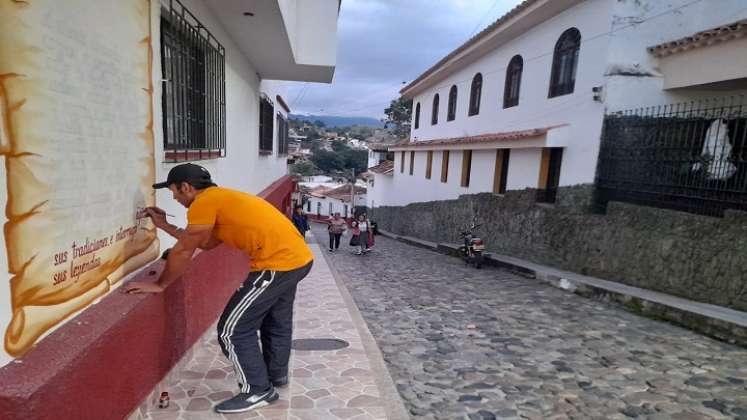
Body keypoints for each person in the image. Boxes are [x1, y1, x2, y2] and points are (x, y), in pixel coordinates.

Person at [123, 163, 313, 414]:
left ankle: (258, 390)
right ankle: (275, 376)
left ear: (186, 187)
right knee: (276, 322)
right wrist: (165, 226)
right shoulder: (221, 199)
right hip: (298, 259)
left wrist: (160, 285)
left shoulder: (204, 203)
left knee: (232, 330)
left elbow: (184, 250)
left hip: (277, 264)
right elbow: (205, 243)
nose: (176, 198)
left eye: (175, 192)